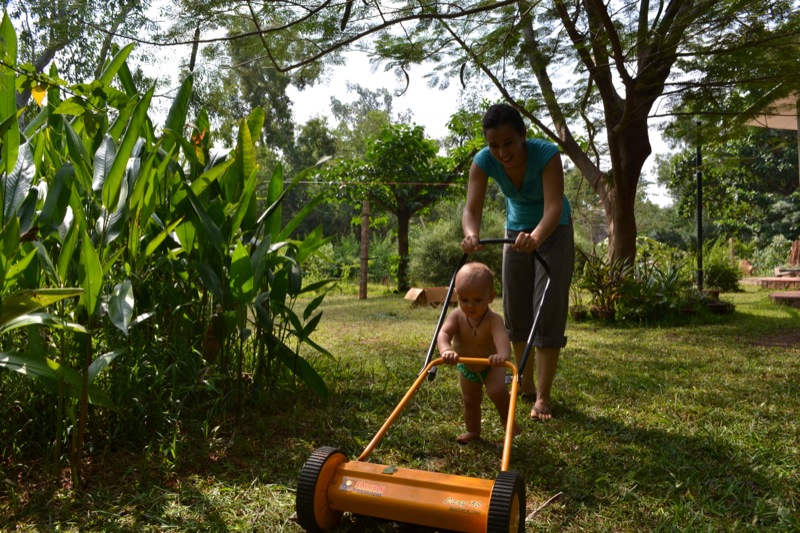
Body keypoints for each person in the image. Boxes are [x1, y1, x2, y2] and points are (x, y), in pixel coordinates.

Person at [461, 103, 574, 421]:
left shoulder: (546, 154)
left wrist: (536, 237)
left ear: (523, 135)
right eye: (494, 145)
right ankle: (523, 382)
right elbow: (471, 210)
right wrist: (471, 234)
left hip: (553, 230)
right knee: (517, 308)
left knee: (547, 308)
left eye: (508, 143)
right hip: (514, 234)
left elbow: (553, 207)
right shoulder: (483, 161)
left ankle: (543, 397)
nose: (502, 152)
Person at [437, 262, 521, 444]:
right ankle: (473, 431)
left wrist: (502, 355)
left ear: (491, 297)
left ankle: (507, 421)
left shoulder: (493, 320)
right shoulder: (456, 316)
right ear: (457, 296)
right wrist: (446, 349)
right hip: (467, 367)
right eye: (464, 300)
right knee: (470, 400)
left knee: (497, 391)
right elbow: (443, 334)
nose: (470, 306)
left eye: (477, 300)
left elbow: (501, 338)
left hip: (492, 365)